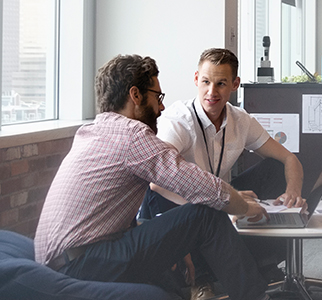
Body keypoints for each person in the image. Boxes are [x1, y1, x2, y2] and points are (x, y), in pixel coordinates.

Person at [34, 54, 274, 300]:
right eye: (157, 97)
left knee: (170, 273)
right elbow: (197, 184)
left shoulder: (94, 131)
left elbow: (100, 223)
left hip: (63, 261)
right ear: (136, 95)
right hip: (80, 264)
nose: (161, 107)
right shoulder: (131, 135)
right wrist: (244, 207)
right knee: (206, 214)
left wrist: (177, 244)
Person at [139, 48, 305, 298]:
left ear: (235, 84)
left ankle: (262, 260)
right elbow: (157, 182)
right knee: (203, 212)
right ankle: (201, 280)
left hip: (215, 195)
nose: (211, 92)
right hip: (171, 199)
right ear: (196, 79)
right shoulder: (179, 120)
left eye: (221, 83)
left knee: (273, 168)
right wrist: (225, 202)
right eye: (205, 82)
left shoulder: (241, 120)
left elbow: (289, 159)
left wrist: (293, 194)